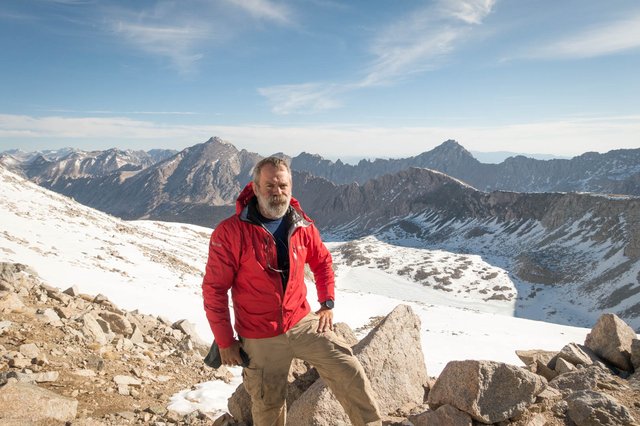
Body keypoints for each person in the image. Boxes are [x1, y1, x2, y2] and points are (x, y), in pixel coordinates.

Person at [202, 157, 382, 426]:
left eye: (283, 185)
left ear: (291, 187)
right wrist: (226, 341)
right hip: (259, 332)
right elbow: (214, 289)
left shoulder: (301, 223)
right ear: (255, 187)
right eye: (270, 185)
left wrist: (327, 302)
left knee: (346, 367)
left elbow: (322, 261)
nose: (277, 191)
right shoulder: (231, 232)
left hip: (300, 321)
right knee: (268, 403)